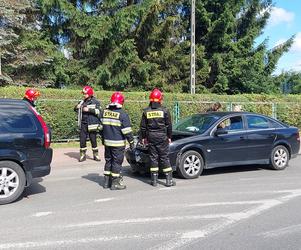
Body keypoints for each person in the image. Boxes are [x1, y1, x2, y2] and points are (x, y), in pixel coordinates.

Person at [140, 88, 175, 187]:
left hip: (151, 137)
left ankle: (154, 181)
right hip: (162, 137)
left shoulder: (146, 111)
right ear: (160, 99)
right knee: (164, 157)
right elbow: (169, 125)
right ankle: (169, 181)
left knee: (153, 158)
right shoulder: (165, 110)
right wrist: (169, 136)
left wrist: (143, 137)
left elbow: (143, 127)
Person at [100, 92, 134, 190]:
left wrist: (103, 139)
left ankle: (106, 182)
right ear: (121, 102)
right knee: (116, 162)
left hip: (107, 142)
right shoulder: (122, 114)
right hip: (118, 144)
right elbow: (127, 131)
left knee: (108, 161)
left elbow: (100, 128)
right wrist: (131, 142)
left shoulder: (104, 112)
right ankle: (115, 183)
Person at [74, 86, 101, 162]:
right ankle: (82, 155)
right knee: (82, 140)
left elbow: (99, 112)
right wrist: (77, 106)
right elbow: (75, 109)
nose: (83, 95)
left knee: (93, 140)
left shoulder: (96, 102)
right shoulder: (82, 101)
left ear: (89, 94)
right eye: (83, 93)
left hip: (92, 124)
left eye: (85, 94)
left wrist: (89, 110)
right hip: (83, 123)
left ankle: (96, 155)